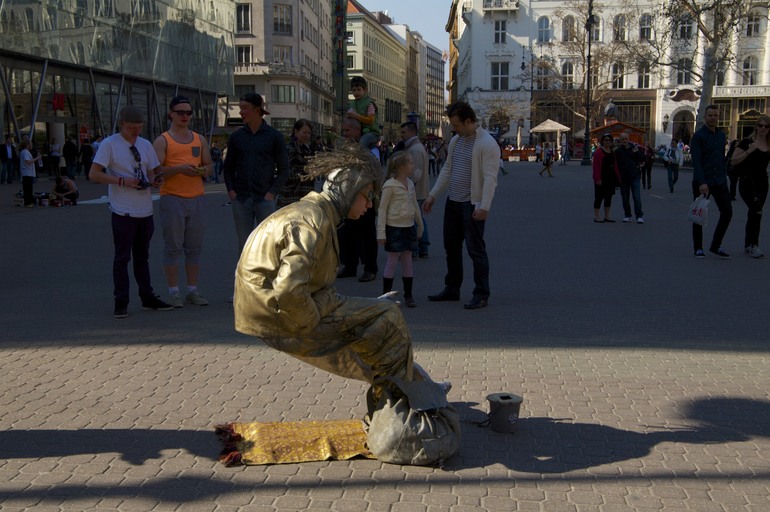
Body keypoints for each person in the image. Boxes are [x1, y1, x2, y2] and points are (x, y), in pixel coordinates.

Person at [234, 144, 437, 384]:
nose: (370, 205)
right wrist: (318, 318)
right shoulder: (313, 222)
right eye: (368, 195)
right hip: (276, 312)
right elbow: (289, 291)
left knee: (379, 321)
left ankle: (413, 386)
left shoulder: (316, 213)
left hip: (270, 306)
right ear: (349, 190)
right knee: (387, 318)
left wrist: (354, 307)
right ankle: (408, 392)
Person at [88, 105, 173, 318]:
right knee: (122, 258)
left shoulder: (145, 144)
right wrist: (121, 180)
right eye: (132, 128)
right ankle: (121, 301)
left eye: (139, 127)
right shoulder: (109, 144)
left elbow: (152, 171)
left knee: (142, 257)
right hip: (122, 211)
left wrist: (156, 180)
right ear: (122, 125)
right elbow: (94, 174)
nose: (136, 132)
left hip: (144, 210)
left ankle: (147, 296)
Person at [422, 101, 499, 310]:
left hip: (472, 204)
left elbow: (491, 179)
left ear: (468, 121)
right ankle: (452, 288)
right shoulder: (457, 141)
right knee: (451, 248)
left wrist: (484, 206)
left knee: (476, 250)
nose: (454, 129)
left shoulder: (487, 144)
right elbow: (447, 170)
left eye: (456, 125)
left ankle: (481, 293)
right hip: (453, 202)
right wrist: (433, 195)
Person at [153, 95, 212, 308]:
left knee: (194, 248)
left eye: (188, 112)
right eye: (180, 112)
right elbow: (156, 171)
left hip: (197, 198)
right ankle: (173, 292)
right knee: (173, 247)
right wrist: (178, 169)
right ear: (171, 114)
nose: (184, 116)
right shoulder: (163, 140)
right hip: (172, 198)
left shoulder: (199, 139)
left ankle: (192, 290)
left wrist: (202, 170)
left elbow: (209, 166)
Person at [223, 92, 290, 253]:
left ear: (257, 110)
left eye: (245, 108)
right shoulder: (236, 137)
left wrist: (271, 193)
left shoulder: (274, 136)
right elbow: (228, 167)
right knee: (244, 246)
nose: (241, 112)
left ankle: (266, 271)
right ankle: (244, 271)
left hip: (264, 199)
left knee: (267, 246)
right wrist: (231, 191)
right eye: (240, 108)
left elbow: (284, 169)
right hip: (241, 199)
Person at [336, 118, 380, 282]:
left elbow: (376, 172)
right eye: (343, 130)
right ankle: (350, 266)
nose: (344, 134)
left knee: (367, 234)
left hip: (364, 197)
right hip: (347, 198)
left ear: (357, 131)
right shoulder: (344, 149)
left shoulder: (369, 149)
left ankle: (370, 268)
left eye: (347, 130)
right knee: (348, 233)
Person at [377, 151, 423, 308]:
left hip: (408, 226)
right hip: (394, 228)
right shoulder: (390, 186)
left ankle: (408, 295)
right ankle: (386, 296)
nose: (413, 166)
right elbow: (382, 209)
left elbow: (415, 205)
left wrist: (420, 224)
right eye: (411, 163)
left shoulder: (410, 183)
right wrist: (381, 232)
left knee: (407, 260)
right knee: (392, 260)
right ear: (402, 167)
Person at [691, 104, 732, 259]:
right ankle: (698, 248)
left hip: (719, 180)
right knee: (699, 214)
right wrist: (701, 182)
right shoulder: (699, 136)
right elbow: (696, 161)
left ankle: (716, 245)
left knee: (727, 212)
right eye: (710, 115)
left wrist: (724, 175)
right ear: (705, 117)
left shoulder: (721, 135)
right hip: (703, 181)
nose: (713, 118)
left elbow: (721, 158)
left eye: (715, 115)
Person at [730, 114, 770, 258]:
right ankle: (754, 245)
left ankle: (748, 245)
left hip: (762, 183)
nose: (763, 128)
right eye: (760, 125)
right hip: (747, 182)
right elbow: (734, 160)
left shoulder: (769, 144)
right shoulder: (747, 142)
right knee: (756, 210)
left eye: (766, 126)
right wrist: (750, 150)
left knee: (755, 213)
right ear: (756, 126)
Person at [401, 121, 430, 258]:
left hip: (416, 192)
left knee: (414, 220)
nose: (402, 135)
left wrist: (406, 188)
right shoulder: (416, 147)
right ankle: (422, 247)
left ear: (411, 132)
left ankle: (415, 249)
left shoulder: (414, 149)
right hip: (419, 190)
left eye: (404, 132)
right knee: (419, 219)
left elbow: (415, 174)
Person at [277, 119, 315, 208]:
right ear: (296, 131)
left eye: (309, 133)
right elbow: (288, 173)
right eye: (304, 132)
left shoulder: (308, 149)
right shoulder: (289, 149)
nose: (307, 135)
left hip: (306, 193)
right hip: (291, 195)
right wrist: (307, 171)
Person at [615, 133, 645, 223]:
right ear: (620, 140)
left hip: (635, 175)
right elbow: (616, 164)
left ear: (628, 139)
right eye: (623, 139)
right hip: (623, 177)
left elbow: (642, 159)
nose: (624, 141)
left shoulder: (634, 148)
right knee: (625, 197)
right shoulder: (618, 151)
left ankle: (639, 216)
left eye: (626, 139)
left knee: (637, 197)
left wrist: (637, 152)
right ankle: (627, 215)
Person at [346, 76, 380, 151]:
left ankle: (363, 156)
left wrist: (357, 116)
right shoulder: (352, 104)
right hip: (358, 131)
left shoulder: (369, 104)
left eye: (359, 90)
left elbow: (371, 120)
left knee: (363, 141)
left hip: (371, 132)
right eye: (354, 90)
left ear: (365, 90)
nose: (356, 92)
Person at [592, 133, 621, 223]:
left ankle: (607, 216)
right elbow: (596, 166)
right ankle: (597, 216)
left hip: (610, 178)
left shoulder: (612, 152)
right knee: (599, 197)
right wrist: (597, 179)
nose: (607, 142)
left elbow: (615, 165)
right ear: (603, 141)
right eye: (606, 140)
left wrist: (618, 177)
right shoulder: (599, 152)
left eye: (609, 140)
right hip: (601, 177)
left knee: (609, 197)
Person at [19, 137, 41, 207]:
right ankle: (28, 202)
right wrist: (37, 158)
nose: (31, 145)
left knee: (28, 188)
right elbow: (28, 161)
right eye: (30, 144)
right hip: (27, 172)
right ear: (27, 144)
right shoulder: (25, 152)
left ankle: (28, 202)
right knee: (28, 189)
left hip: (28, 172)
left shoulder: (26, 152)